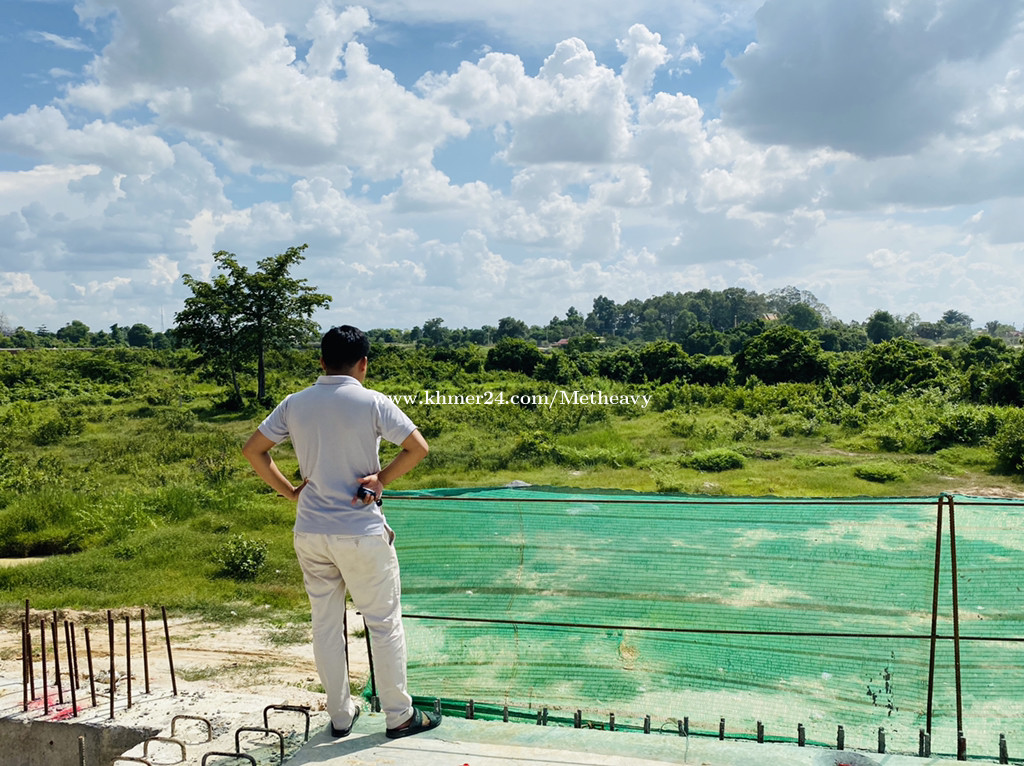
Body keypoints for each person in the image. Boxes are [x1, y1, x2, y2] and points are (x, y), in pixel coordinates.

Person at [241, 324, 442, 740]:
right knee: (383, 623)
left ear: (321, 361)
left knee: (326, 625)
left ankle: (340, 715)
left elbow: (253, 450)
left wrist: (290, 491)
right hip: (360, 531)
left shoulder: (294, 404)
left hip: (311, 531)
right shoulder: (372, 402)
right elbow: (418, 448)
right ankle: (398, 715)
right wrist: (381, 479)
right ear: (363, 363)